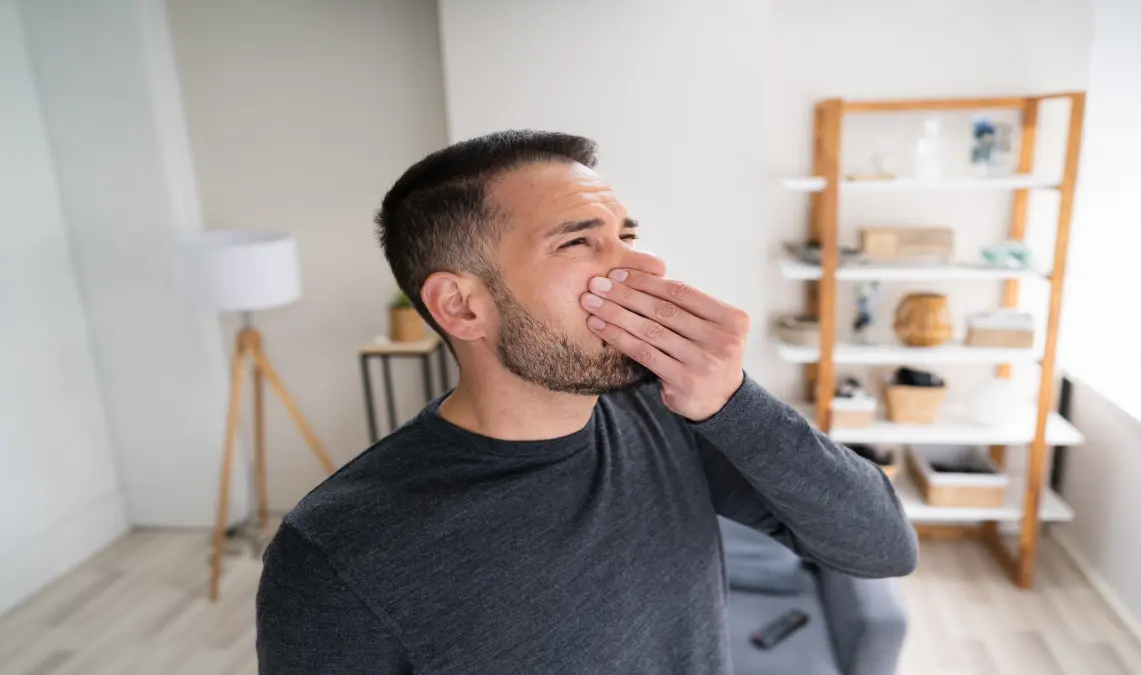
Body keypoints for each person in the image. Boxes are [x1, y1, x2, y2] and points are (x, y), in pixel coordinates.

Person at [256, 130, 917, 674]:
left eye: (626, 235)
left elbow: (883, 546)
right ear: (461, 306)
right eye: (577, 242)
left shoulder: (666, 413)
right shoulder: (337, 552)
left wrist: (733, 402)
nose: (643, 266)